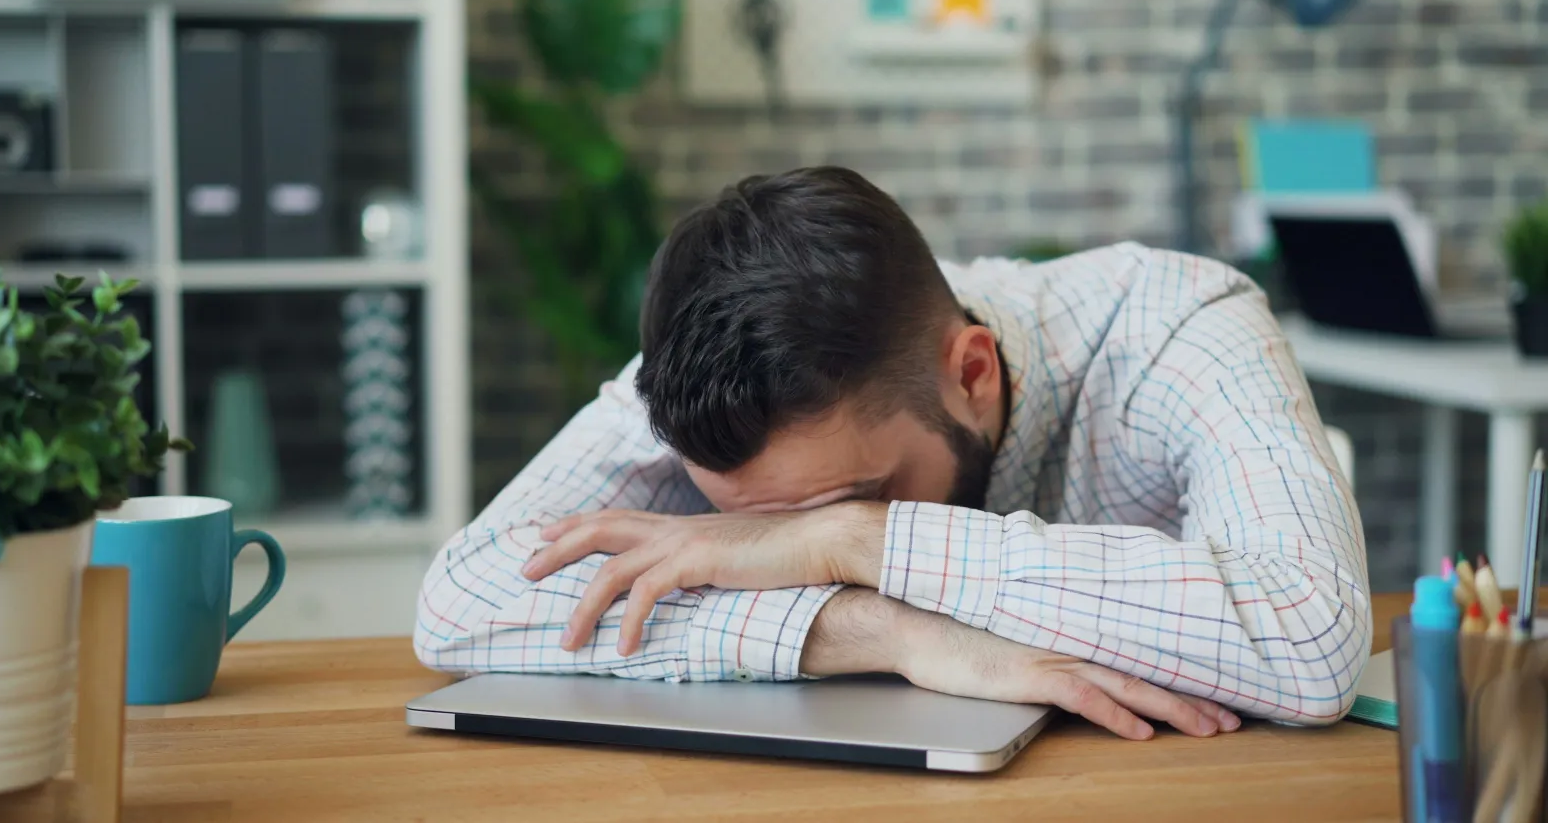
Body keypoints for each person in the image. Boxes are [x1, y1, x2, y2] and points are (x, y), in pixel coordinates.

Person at [416, 166, 1369, 741]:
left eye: (844, 497)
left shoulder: (1179, 325)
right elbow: (460, 603)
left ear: (973, 372)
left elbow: (1312, 637)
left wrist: (855, 541)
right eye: (754, 522)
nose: (772, 547)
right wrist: (882, 631)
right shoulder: (703, 373)